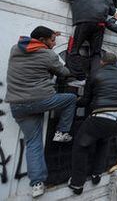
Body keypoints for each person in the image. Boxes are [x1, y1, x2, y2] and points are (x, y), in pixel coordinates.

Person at [5, 26, 76, 197]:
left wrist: (50, 35)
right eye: (52, 40)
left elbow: (34, 48)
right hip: (40, 100)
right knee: (70, 99)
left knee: (33, 143)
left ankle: (37, 184)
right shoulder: (48, 54)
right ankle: (62, 132)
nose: (54, 43)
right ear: (43, 40)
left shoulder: (15, 49)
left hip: (17, 105)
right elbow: (64, 72)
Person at [69, 52, 117, 195]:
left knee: (80, 145)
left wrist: (74, 100)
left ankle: (77, 183)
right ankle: (97, 174)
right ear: (115, 63)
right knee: (104, 141)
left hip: (101, 118)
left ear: (102, 62)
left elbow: (86, 100)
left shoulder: (95, 74)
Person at [62, 0, 116, 84]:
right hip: (100, 25)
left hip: (82, 22)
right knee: (96, 53)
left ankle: (79, 77)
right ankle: (95, 78)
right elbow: (112, 11)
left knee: (73, 49)